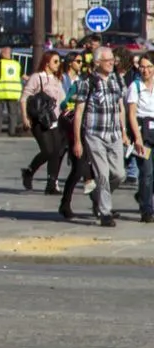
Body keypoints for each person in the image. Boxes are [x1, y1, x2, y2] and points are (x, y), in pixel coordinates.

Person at [72, 46, 131, 228]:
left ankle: (98, 197)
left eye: (113, 60)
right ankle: (105, 212)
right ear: (97, 62)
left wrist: (124, 132)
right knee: (103, 174)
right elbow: (79, 112)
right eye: (108, 60)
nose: (112, 63)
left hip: (114, 134)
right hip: (95, 134)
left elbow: (120, 108)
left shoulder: (117, 80)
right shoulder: (87, 82)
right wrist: (77, 140)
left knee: (120, 174)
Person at [21, 50, 68, 194]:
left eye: (59, 61)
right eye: (55, 61)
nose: (58, 64)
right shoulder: (37, 77)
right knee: (47, 151)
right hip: (40, 121)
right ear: (47, 62)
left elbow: (62, 100)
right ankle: (29, 171)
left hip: (55, 120)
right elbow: (24, 97)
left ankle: (51, 184)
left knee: (56, 152)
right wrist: (25, 117)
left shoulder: (57, 79)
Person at [128, 54, 154, 223]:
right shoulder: (135, 86)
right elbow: (131, 113)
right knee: (146, 171)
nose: (146, 70)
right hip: (142, 132)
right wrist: (137, 137)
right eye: (143, 67)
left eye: (149, 66)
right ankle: (146, 210)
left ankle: (142, 195)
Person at [0, 46, 23, 138]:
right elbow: (24, 76)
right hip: (13, 93)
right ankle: (12, 132)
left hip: (1, 92)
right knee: (13, 114)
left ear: (2, 54)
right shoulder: (16, 64)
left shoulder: (0, 64)